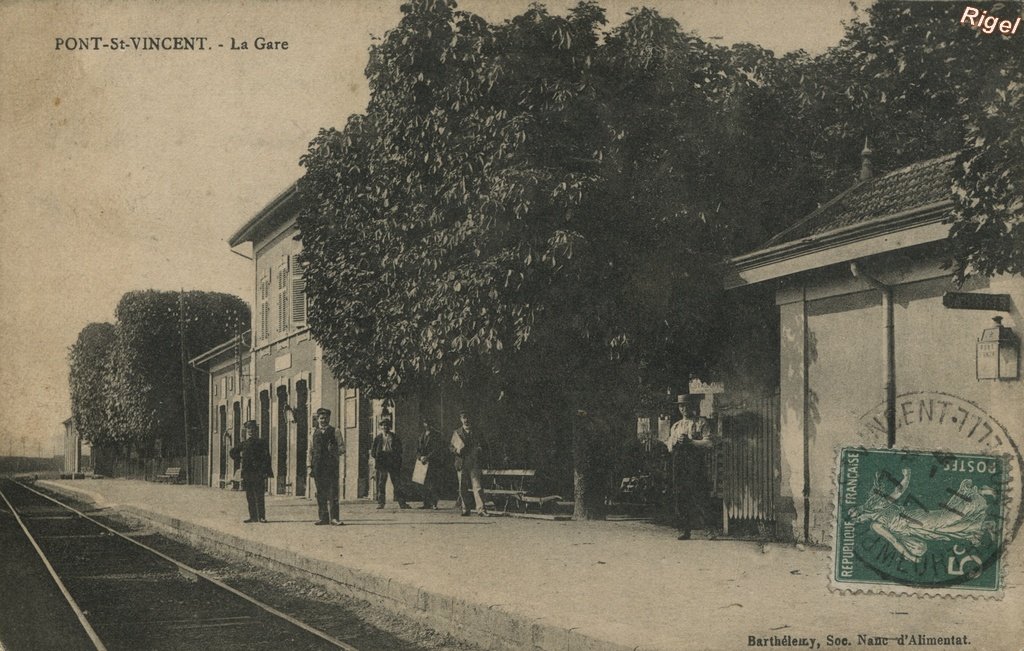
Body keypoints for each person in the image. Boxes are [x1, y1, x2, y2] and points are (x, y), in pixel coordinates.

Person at [667, 395, 715, 540]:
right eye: (681, 406)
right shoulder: (676, 426)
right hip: (679, 462)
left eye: (687, 406)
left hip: (695, 463)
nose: (684, 409)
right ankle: (684, 530)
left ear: (693, 406)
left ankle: (709, 529)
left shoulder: (701, 423)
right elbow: (669, 445)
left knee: (700, 494)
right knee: (681, 496)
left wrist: (691, 442)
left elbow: (709, 443)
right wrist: (675, 441)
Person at [228, 420, 273, 523]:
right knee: (250, 496)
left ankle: (261, 517)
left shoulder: (262, 443)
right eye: (249, 429)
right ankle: (252, 517)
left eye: (253, 429)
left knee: (259, 495)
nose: (251, 431)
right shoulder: (244, 444)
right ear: (247, 431)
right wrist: (239, 459)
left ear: (257, 431)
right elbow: (232, 452)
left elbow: (267, 458)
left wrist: (266, 471)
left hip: (259, 473)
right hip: (248, 473)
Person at [308, 407, 344, 525]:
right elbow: (310, 451)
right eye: (321, 418)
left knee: (333, 492)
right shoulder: (313, 432)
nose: (324, 420)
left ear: (329, 418)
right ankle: (323, 517)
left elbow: (342, 448)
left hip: (331, 466)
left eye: (326, 418)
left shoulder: (336, 431)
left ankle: (334, 518)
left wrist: (334, 450)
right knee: (320, 492)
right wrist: (309, 466)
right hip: (318, 466)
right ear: (318, 419)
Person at [451, 411, 488, 517]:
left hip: (474, 462)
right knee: (462, 487)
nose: (466, 420)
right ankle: (465, 509)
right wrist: (456, 451)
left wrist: (479, 449)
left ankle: (481, 509)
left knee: (477, 486)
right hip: (461, 463)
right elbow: (451, 447)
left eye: (467, 418)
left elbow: (484, 445)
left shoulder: (477, 432)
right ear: (461, 419)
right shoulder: (456, 432)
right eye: (464, 418)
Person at [371, 418, 411, 510]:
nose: (385, 427)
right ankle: (381, 503)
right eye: (383, 425)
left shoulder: (395, 437)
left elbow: (400, 449)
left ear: (390, 427)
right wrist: (378, 457)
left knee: (396, 483)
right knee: (381, 483)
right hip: (382, 461)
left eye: (387, 425)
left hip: (392, 461)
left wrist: (395, 458)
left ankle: (402, 503)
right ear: (381, 427)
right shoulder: (378, 438)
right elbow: (373, 451)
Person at [415, 417, 445, 509]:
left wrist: (428, 457)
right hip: (422, 462)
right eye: (425, 423)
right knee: (422, 483)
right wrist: (420, 457)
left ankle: (434, 503)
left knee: (433, 483)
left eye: (429, 423)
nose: (427, 425)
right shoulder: (421, 435)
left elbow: (437, 449)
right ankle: (426, 503)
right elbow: (418, 449)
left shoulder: (437, 435)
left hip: (433, 462)